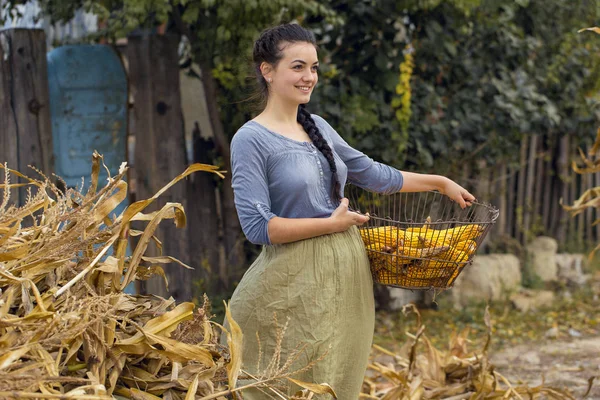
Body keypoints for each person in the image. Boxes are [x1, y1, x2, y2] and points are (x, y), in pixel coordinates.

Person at [225, 23, 475, 399]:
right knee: (284, 384)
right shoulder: (251, 139)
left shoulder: (319, 128)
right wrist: (329, 224)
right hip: (291, 280)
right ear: (267, 70)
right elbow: (258, 227)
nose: (309, 77)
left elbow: (373, 174)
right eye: (297, 66)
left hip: (347, 274)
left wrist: (438, 182)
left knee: (338, 378)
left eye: (314, 67)